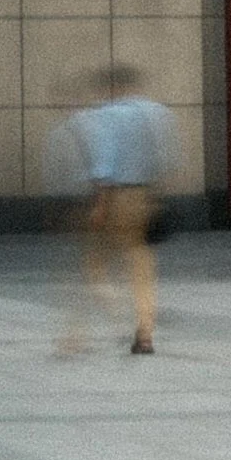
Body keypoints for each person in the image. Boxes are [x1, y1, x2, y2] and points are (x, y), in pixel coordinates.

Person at [61, 62, 179, 359]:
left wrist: (100, 205)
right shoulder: (158, 113)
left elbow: (104, 162)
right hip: (146, 196)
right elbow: (167, 160)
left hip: (116, 197)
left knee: (95, 264)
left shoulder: (107, 116)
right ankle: (145, 334)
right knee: (142, 267)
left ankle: (97, 322)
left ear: (112, 88)